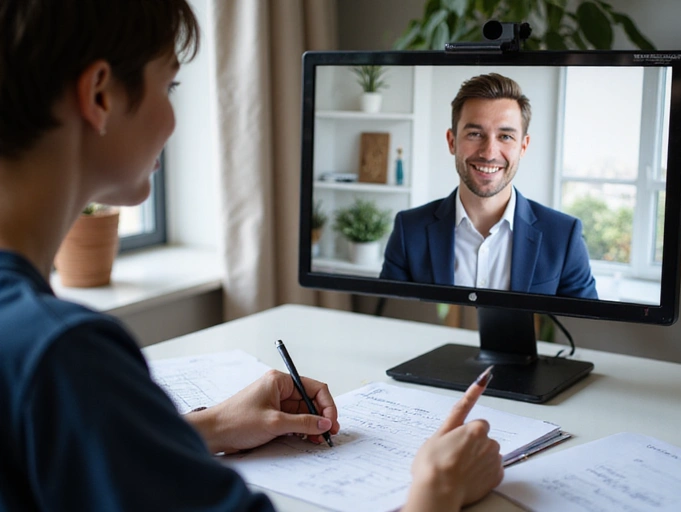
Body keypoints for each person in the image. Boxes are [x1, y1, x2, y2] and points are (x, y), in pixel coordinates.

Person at [0, 1, 503, 511]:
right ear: (100, 94)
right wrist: (436, 489)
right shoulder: (64, 356)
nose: (174, 119)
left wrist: (213, 425)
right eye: (169, 86)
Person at [380, 73, 598, 299]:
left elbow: (585, 330)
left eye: (505, 136)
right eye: (475, 134)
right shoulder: (409, 231)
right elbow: (388, 326)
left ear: (523, 146)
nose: (489, 153)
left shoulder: (564, 237)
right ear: (452, 141)